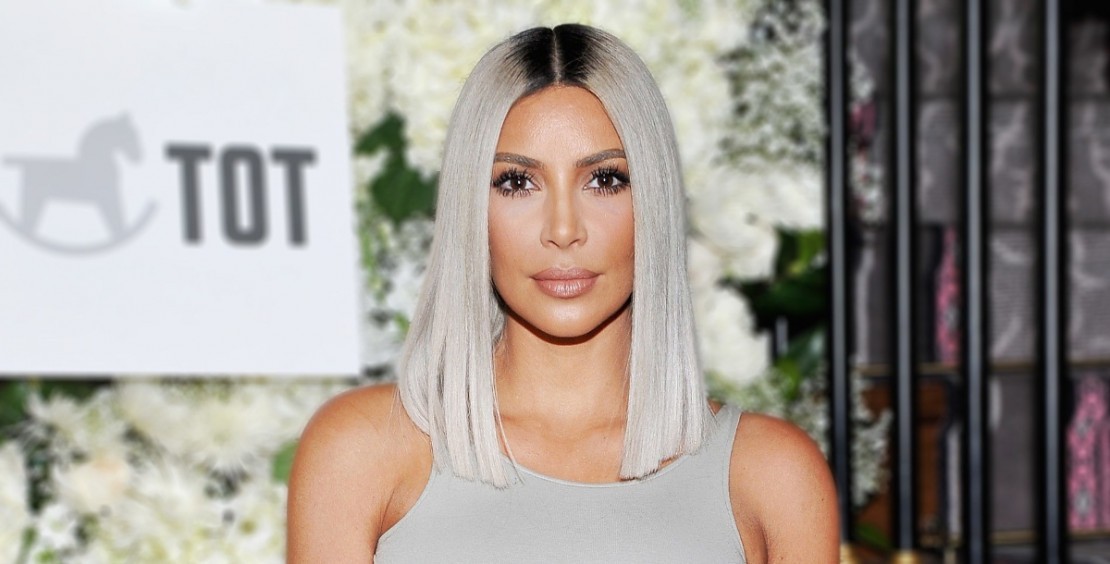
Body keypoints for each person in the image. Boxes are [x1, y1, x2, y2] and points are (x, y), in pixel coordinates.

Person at [287, 24, 837, 563]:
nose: (564, 228)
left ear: (655, 200)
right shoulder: (360, 450)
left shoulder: (771, 476)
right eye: (517, 182)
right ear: (470, 208)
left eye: (605, 179)